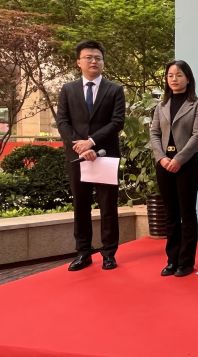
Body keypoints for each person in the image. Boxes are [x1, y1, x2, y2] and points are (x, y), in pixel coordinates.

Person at [57, 40, 125, 271]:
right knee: (81, 205)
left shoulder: (114, 90)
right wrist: (81, 146)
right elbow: (62, 121)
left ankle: (109, 253)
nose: (93, 61)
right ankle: (83, 252)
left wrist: (92, 142)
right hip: (77, 156)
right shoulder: (68, 90)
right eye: (88, 57)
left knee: (108, 206)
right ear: (79, 62)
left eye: (98, 57)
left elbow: (117, 122)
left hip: (105, 155)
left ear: (103, 62)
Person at [150, 60, 198, 277]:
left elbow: (197, 135)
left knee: (187, 212)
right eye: (170, 75)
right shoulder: (161, 106)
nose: (174, 79)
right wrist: (162, 158)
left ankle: (186, 261)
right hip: (164, 164)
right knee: (171, 213)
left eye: (179, 75)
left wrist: (179, 159)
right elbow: (154, 133)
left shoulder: (197, 105)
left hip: (187, 165)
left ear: (188, 78)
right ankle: (172, 260)